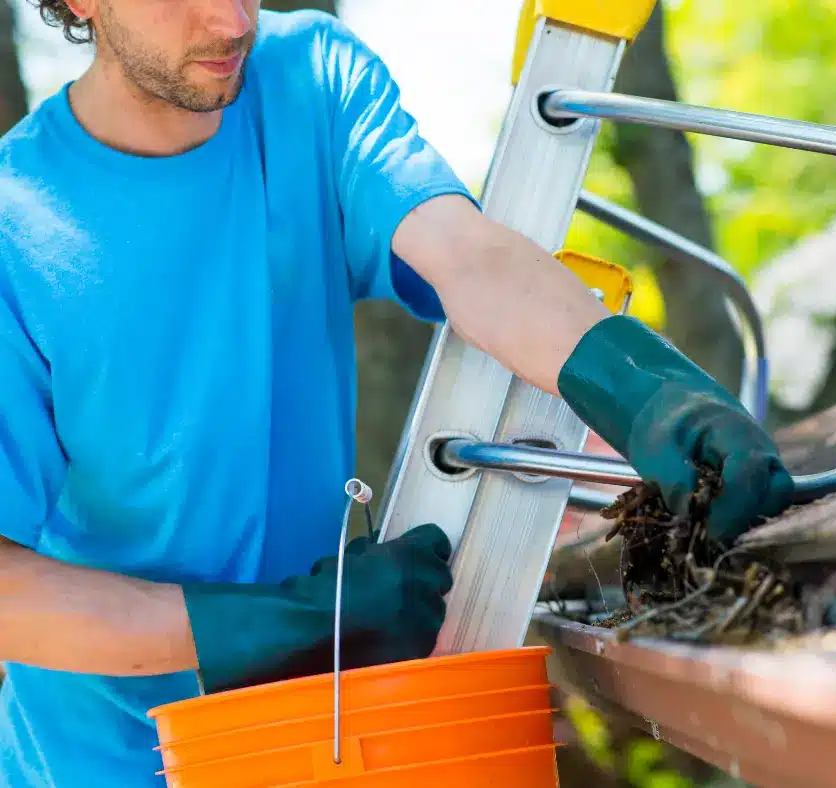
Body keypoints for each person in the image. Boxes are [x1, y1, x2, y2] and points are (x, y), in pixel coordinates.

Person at [0, 2, 794, 785]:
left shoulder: (308, 75)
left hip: (337, 743)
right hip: (102, 766)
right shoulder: (18, 228)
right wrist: (282, 621)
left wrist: (644, 391)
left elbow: (465, 254)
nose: (232, 21)